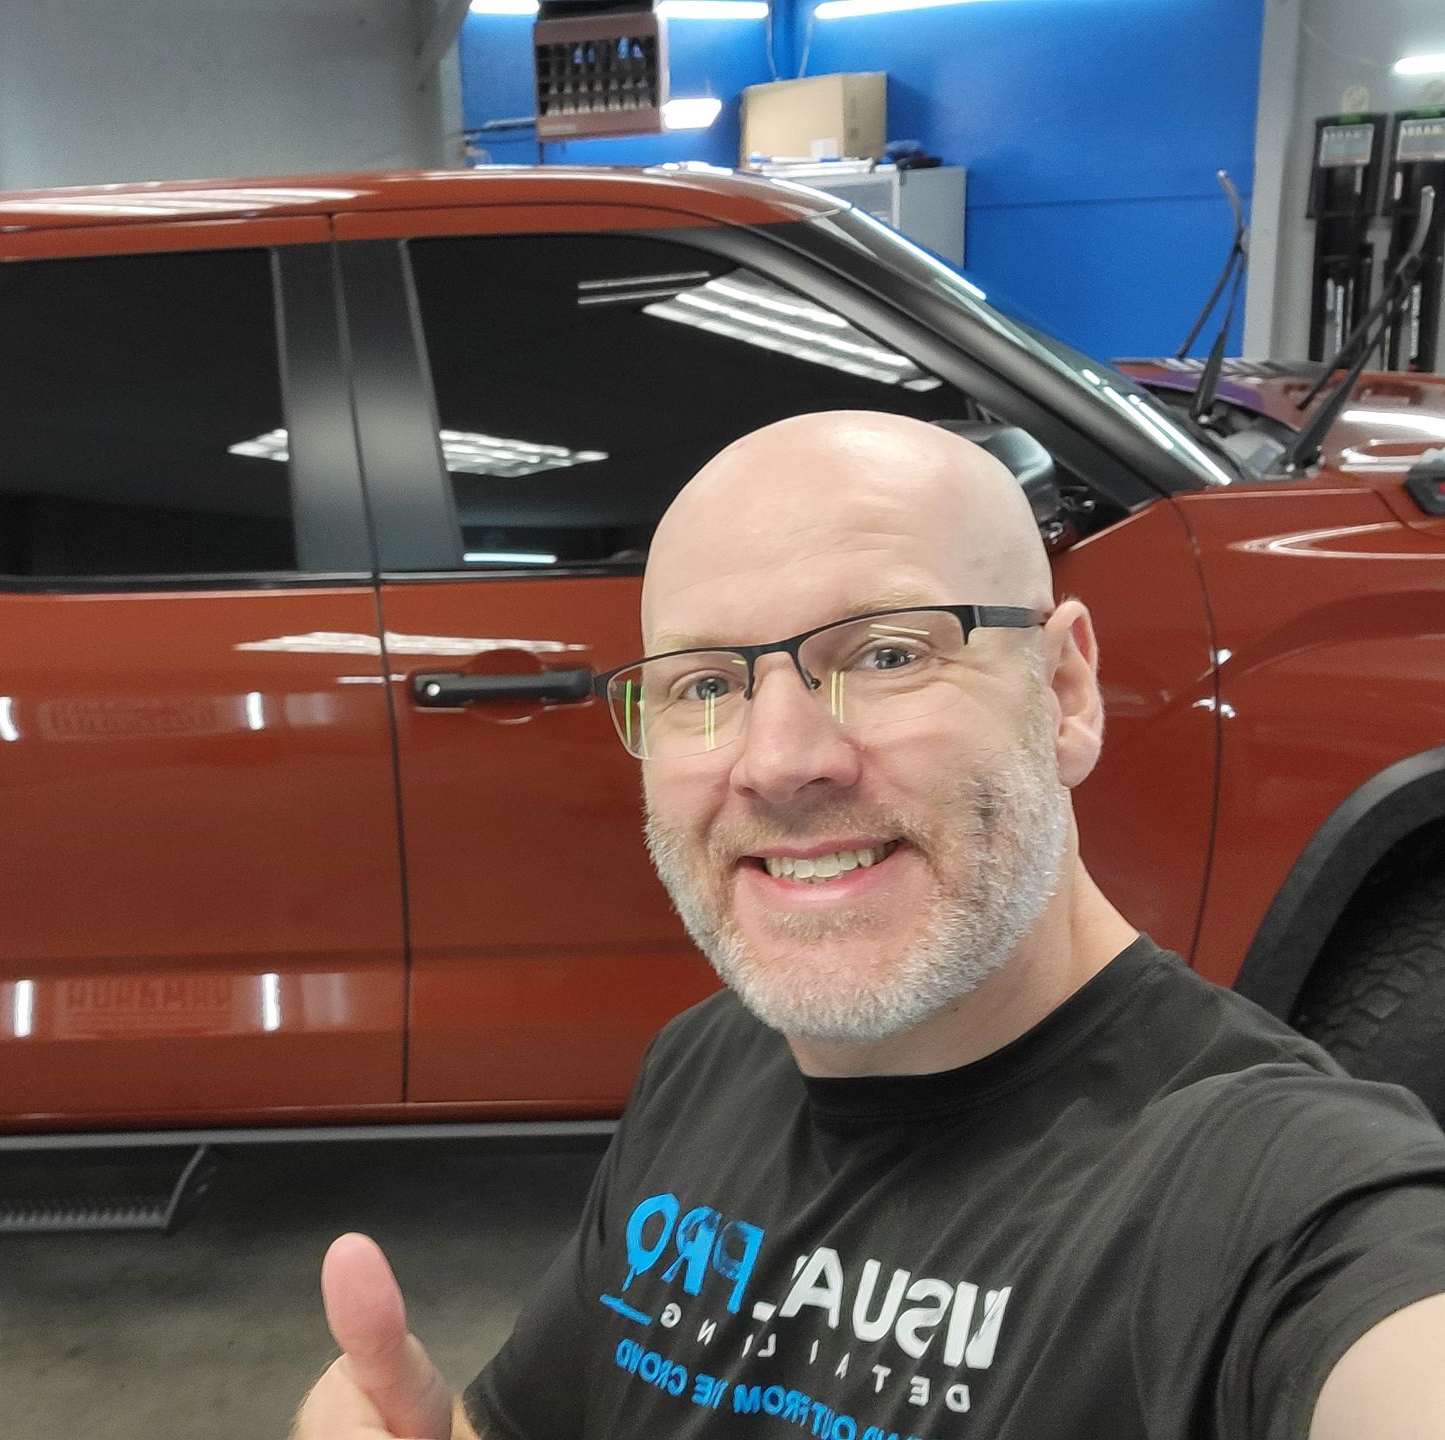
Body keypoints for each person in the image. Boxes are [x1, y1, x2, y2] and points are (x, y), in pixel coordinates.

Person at [290, 412, 1445, 1440]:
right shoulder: (707, 1062)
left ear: (1066, 692)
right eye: (703, 685)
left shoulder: (1272, 1195)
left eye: (887, 654)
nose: (781, 762)